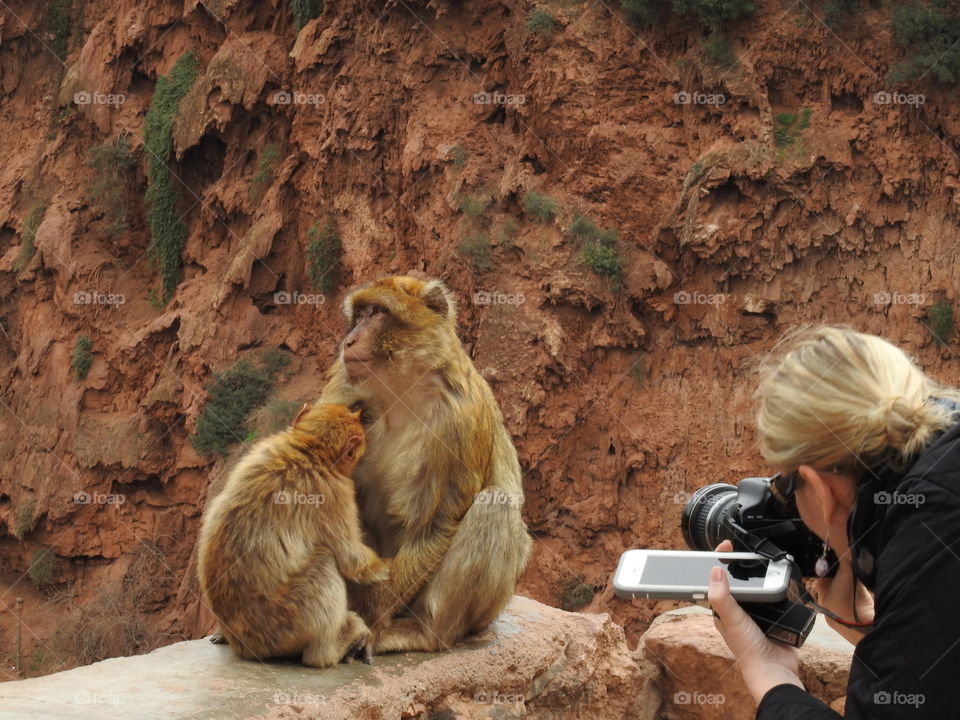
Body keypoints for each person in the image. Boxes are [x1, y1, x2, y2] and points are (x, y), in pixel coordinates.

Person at [708, 325, 960, 719]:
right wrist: (869, 628)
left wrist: (771, 676)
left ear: (818, 487)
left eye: (787, 488)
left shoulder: (933, 529)